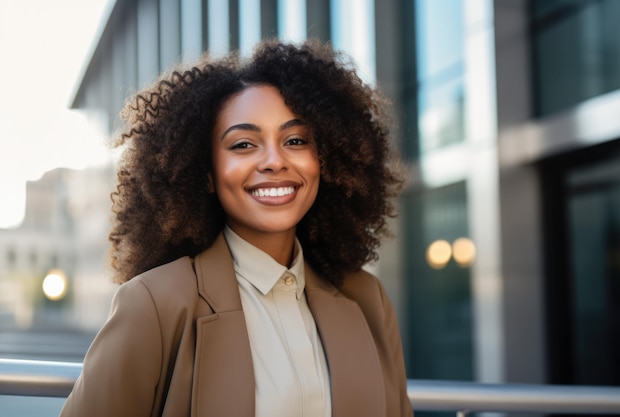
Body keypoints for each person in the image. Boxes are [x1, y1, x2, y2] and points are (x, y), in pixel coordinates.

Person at [60, 38, 412, 417]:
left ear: (325, 159)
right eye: (244, 144)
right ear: (207, 173)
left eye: (295, 140)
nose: (275, 161)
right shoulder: (154, 303)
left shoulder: (367, 299)